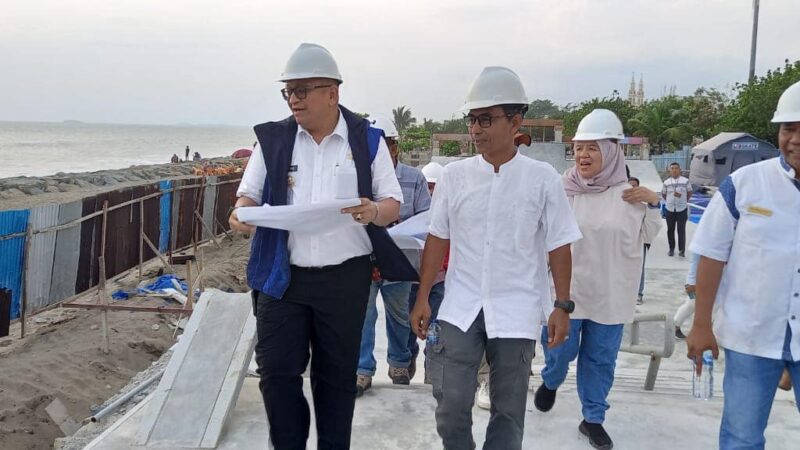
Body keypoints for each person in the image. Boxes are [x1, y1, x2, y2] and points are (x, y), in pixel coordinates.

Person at [229, 43, 409, 449]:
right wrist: (241, 215)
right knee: (276, 374)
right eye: (288, 91)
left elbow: (392, 204)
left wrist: (371, 211)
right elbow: (247, 199)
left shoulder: (366, 140)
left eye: (303, 90)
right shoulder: (272, 141)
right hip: (282, 279)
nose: (294, 99)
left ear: (333, 93)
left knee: (336, 380)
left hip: (344, 279)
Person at [410, 66, 581, 450]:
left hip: (517, 308)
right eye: (471, 120)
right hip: (461, 304)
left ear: (516, 121)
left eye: (486, 119)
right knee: (450, 402)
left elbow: (559, 244)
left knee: (507, 410)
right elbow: (437, 239)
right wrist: (422, 297)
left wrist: (562, 306)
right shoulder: (455, 177)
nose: (475, 129)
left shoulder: (542, 179)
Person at [536, 109, 662, 450]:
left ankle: (592, 419)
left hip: (610, 296)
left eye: (592, 148)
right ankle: (551, 380)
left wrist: (654, 202)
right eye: (578, 148)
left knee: (600, 361)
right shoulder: (563, 190)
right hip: (567, 293)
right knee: (559, 354)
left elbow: (652, 233)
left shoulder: (631, 196)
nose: (582, 155)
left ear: (611, 151)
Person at [687, 80, 800, 449]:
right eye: (788, 129)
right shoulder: (745, 184)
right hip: (751, 336)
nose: (794, 139)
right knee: (741, 437)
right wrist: (701, 325)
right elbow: (712, 254)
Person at [356, 115, 431, 395]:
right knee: (363, 313)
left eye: (383, 145)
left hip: (399, 258)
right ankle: (363, 369)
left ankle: (400, 363)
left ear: (394, 148)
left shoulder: (413, 179)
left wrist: (403, 228)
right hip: (365, 258)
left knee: (399, 313)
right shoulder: (358, 177)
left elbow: (428, 218)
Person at [406, 161, 447, 384]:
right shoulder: (413, 215)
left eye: (435, 188)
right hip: (412, 281)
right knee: (408, 328)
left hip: (439, 283)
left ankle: (432, 371)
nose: (431, 193)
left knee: (436, 331)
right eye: (428, 187)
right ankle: (406, 362)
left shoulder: (447, 216)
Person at [629, 176, 652, 305]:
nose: (632, 188)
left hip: (640, 241)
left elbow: (650, 226)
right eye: (629, 186)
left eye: (634, 186)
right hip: (625, 241)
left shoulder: (643, 207)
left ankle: (639, 293)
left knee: (639, 267)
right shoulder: (619, 205)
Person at [661, 162, 692, 257]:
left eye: (676, 168)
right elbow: (664, 194)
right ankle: (671, 249)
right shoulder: (666, 182)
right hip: (670, 209)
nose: (674, 170)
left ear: (680, 170)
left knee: (681, 230)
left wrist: (683, 200)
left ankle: (682, 250)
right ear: (670, 171)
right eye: (672, 168)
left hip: (681, 209)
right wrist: (670, 201)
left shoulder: (685, 181)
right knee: (670, 230)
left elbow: (689, 192)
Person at [674, 251, 700, 339]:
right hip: (698, 281)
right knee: (691, 304)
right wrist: (690, 282)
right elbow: (694, 260)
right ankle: (675, 325)